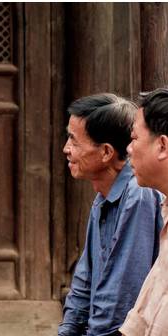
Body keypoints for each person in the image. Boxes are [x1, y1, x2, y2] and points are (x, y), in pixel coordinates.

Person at [58, 94, 163, 336]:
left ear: (106, 152)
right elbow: (84, 283)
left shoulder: (138, 195)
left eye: (74, 141)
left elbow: (120, 299)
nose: (66, 149)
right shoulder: (103, 195)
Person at [120, 88, 168, 335]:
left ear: (162, 146)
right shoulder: (166, 209)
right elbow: (151, 301)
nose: (128, 148)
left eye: (134, 138)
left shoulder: (140, 198)